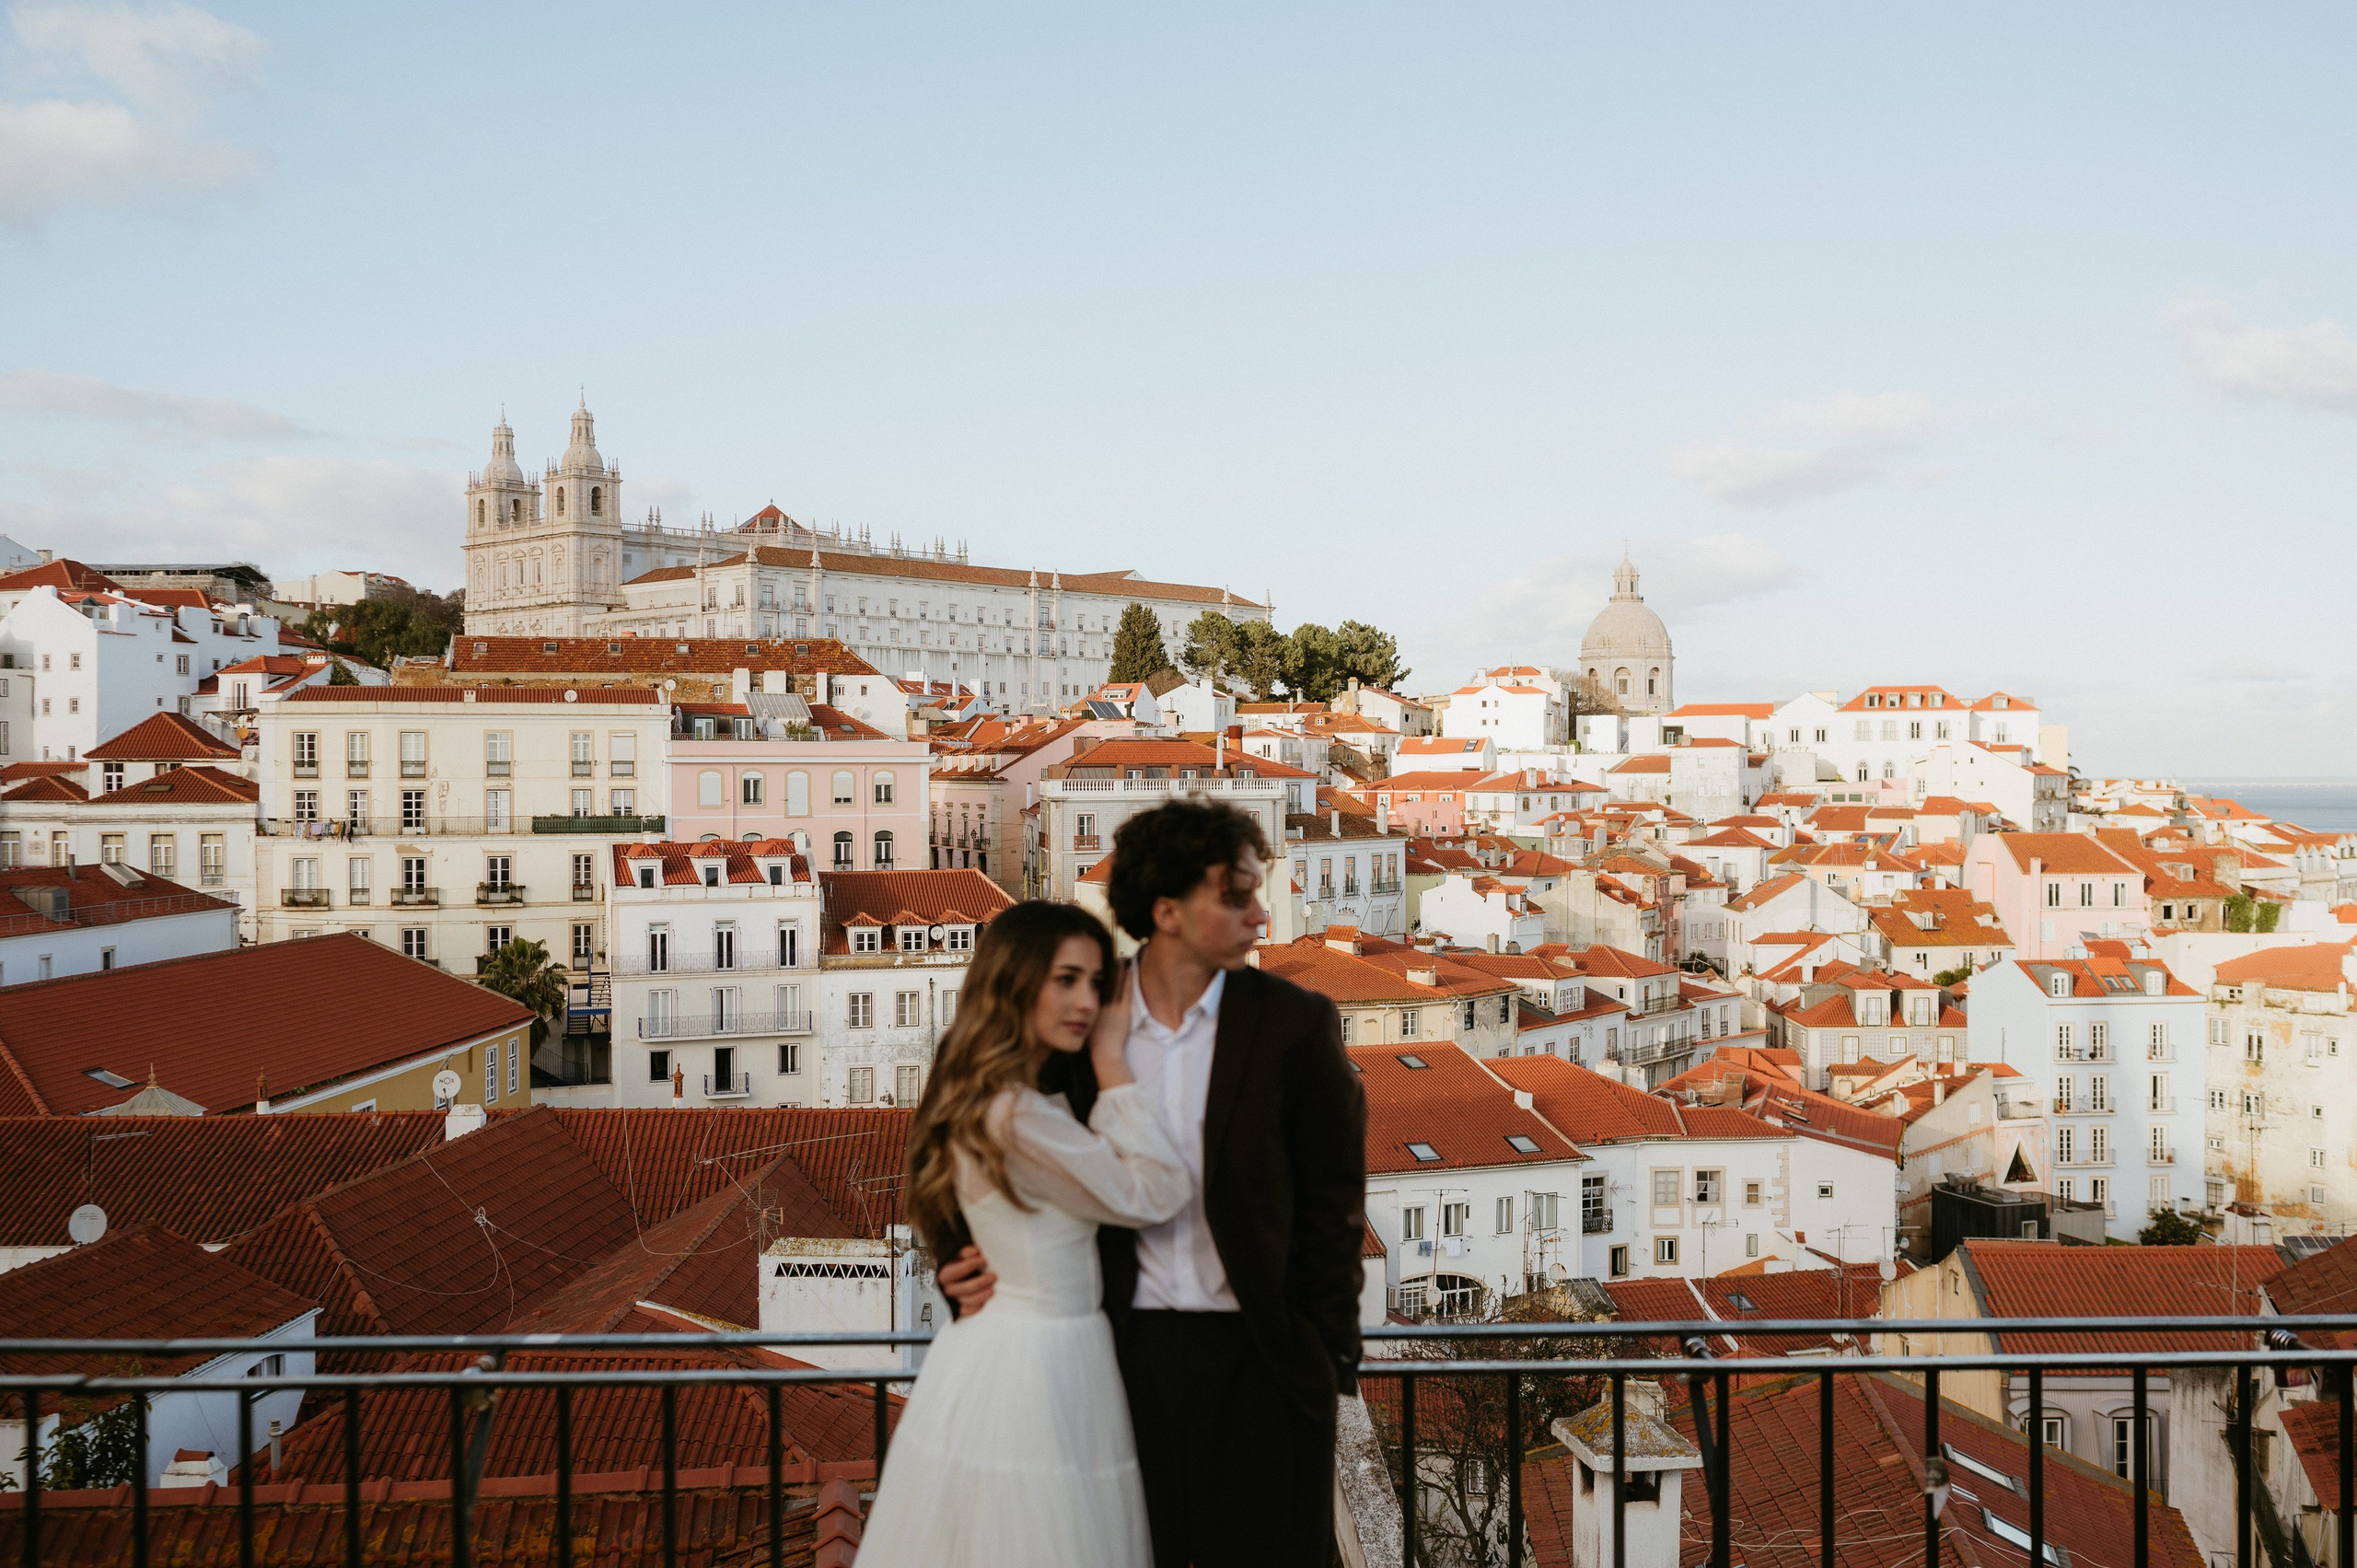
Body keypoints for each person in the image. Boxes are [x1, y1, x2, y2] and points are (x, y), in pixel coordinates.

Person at [937, 800, 1369, 1566]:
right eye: (1236, 895)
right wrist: (958, 1260)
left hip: (1262, 1360)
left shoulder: (1297, 1023)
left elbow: (1333, 1204)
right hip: (1114, 1356)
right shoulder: (1076, 1018)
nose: (1261, 914)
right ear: (1167, 909)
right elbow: (969, 1118)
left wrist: (1324, 1362)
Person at [857, 900, 1190, 1567]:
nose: (1087, 1001)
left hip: (1029, 1346)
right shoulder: (1015, 1101)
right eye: (1065, 979)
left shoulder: (982, 1084)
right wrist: (1110, 1060)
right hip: (1045, 1351)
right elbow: (1159, 1190)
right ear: (1014, 979)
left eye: (1096, 983)